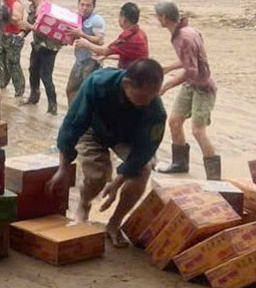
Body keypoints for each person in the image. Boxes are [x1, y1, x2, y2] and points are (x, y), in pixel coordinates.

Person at [45, 59, 167, 248]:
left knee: (143, 170)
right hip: (92, 129)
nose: (149, 101)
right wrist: (63, 168)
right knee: (98, 176)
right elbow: (73, 124)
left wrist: (117, 182)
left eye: (154, 95)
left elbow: (145, 150)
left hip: (126, 136)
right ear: (127, 84)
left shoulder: (155, 109)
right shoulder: (97, 84)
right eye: (144, 96)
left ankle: (115, 222)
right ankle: (84, 204)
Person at [154, 1, 220, 179]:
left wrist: (167, 85)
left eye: (158, 16)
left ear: (164, 17)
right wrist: (169, 67)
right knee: (175, 122)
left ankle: (214, 177)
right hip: (191, 84)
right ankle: (180, 164)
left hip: (203, 88)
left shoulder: (183, 37)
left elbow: (192, 70)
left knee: (198, 131)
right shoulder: (188, 31)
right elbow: (190, 60)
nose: (157, 19)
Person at [21, 0, 62, 115]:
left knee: (46, 76)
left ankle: (53, 107)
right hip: (37, 44)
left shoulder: (47, 8)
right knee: (33, 70)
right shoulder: (33, 7)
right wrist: (21, 34)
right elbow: (29, 24)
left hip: (49, 47)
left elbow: (45, 30)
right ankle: (34, 98)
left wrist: (29, 26)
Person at [76, 2, 149, 69]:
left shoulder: (128, 37)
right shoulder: (141, 33)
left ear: (123, 19)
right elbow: (125, 54)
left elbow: (105, 51)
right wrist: (107, 57)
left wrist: (86, 44)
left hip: (133, 74)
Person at [64, 0, 106, 104]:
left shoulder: (96, 20)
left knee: (89, 94)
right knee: (70, 90)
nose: (84, 8)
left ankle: (88, 114)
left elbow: (100, 40)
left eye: (88, 5)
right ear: (78, 5)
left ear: (94, 7)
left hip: (92, 62)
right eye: (82, 5)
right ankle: (73, 113)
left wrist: (82, 34)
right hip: (79, 60)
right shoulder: (76, 18)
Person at [0, 0, 26, 99]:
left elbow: (17, 19)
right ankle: (2, 86)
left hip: (14, 38)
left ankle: (19, 92)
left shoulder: (16, 3)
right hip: (2, 37)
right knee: (3, 63)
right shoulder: (1, 1)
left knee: (13, 65)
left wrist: (4, 11)